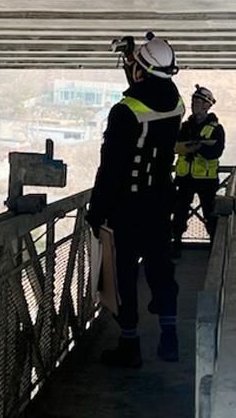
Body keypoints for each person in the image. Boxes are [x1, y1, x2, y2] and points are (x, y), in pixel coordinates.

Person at [85, 32, 184, 368]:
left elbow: (111, 168)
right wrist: (135, 61)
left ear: (141, 71)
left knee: (123, 276)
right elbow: (151, 92)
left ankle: (130, 345)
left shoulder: (124, 113)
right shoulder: (176, 103)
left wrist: (97, 211)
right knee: (161, 269)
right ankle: (169, 339)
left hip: (127, 207)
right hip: (161, 202)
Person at [172, 85, 225, 255]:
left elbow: (215, 151)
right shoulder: (185, 127)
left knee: (210, 214)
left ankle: (215, 248)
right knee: (179, 212)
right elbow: (175, 147)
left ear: (208, 105)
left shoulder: (216, 129)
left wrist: (196, 147)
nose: (195, 104)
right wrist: (199, 144)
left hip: (206, 180)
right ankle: (176, 243)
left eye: (199, 101)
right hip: (184, 178)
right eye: (194, 100)